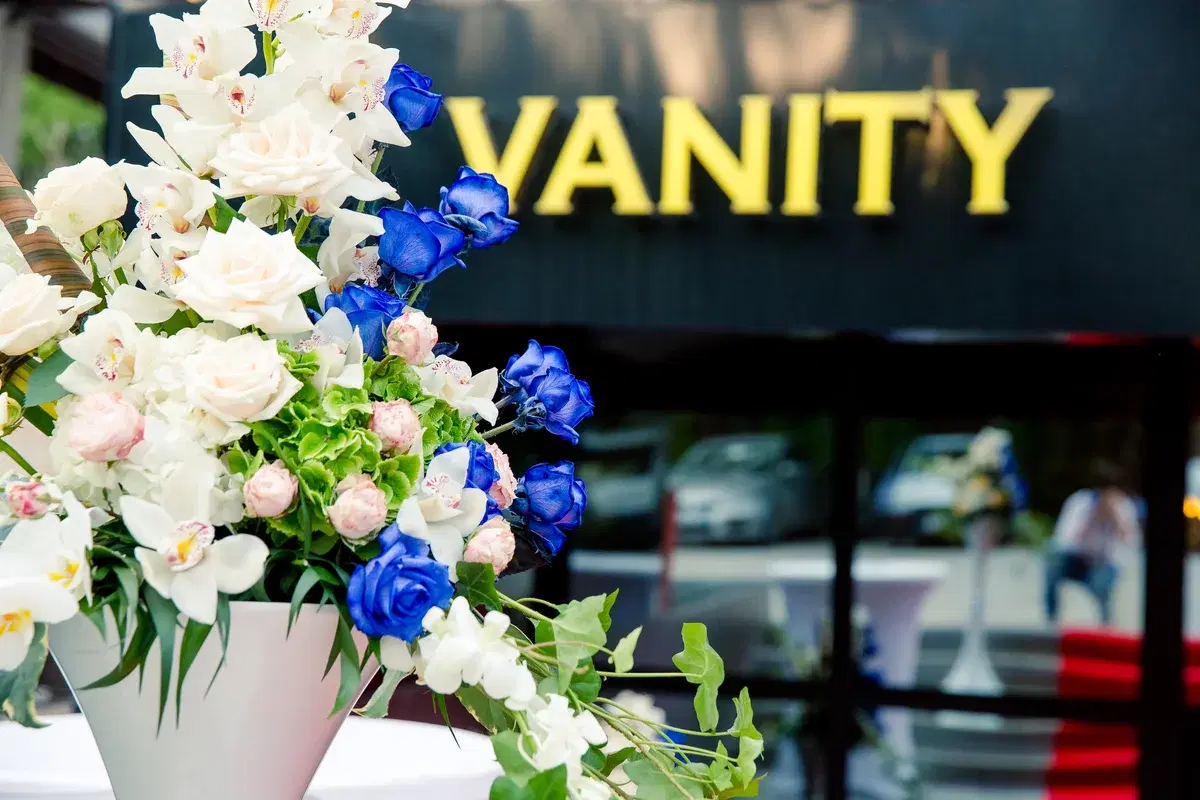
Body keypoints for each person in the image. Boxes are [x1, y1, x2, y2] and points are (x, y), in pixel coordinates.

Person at [1045, 460, 1141, 626]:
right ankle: (1051, 619)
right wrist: (1089, 519)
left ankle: (1105, 624)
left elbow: (1130, 545)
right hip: (1079, 559)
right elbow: (1063, 542)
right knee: (1052, 563)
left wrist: (1117, 520)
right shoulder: (1081, 503)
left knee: (1103, 582)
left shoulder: (1124, 507)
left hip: (1105, 563)